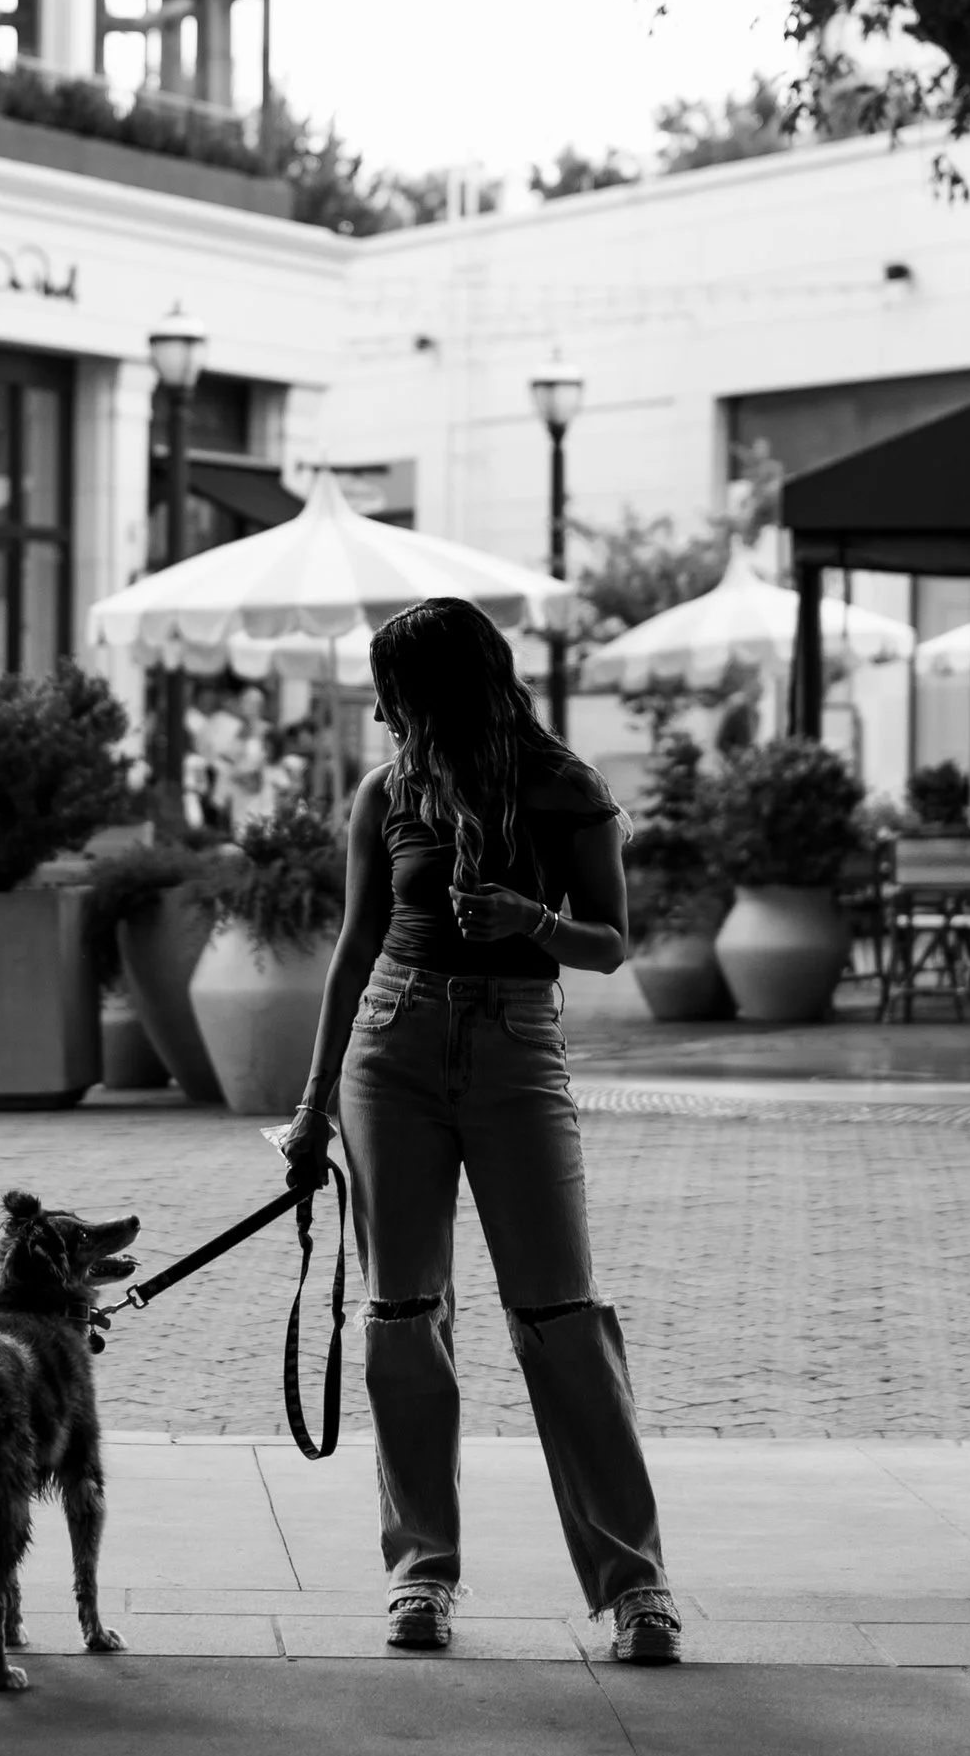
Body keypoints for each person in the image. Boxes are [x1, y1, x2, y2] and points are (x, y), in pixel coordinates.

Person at [280, 597, 683, 1663]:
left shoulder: (565, 789)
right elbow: (356, 946)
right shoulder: (389, 791)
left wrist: (529, 921)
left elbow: (609, 945)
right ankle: (420, 1577)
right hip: (391, 1043)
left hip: (514, 1049)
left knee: (559, 1312)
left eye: (394, 690)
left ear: (440, 688)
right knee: (403, 1314)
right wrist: (314, 1103)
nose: (379, 709)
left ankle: (635, 1586)